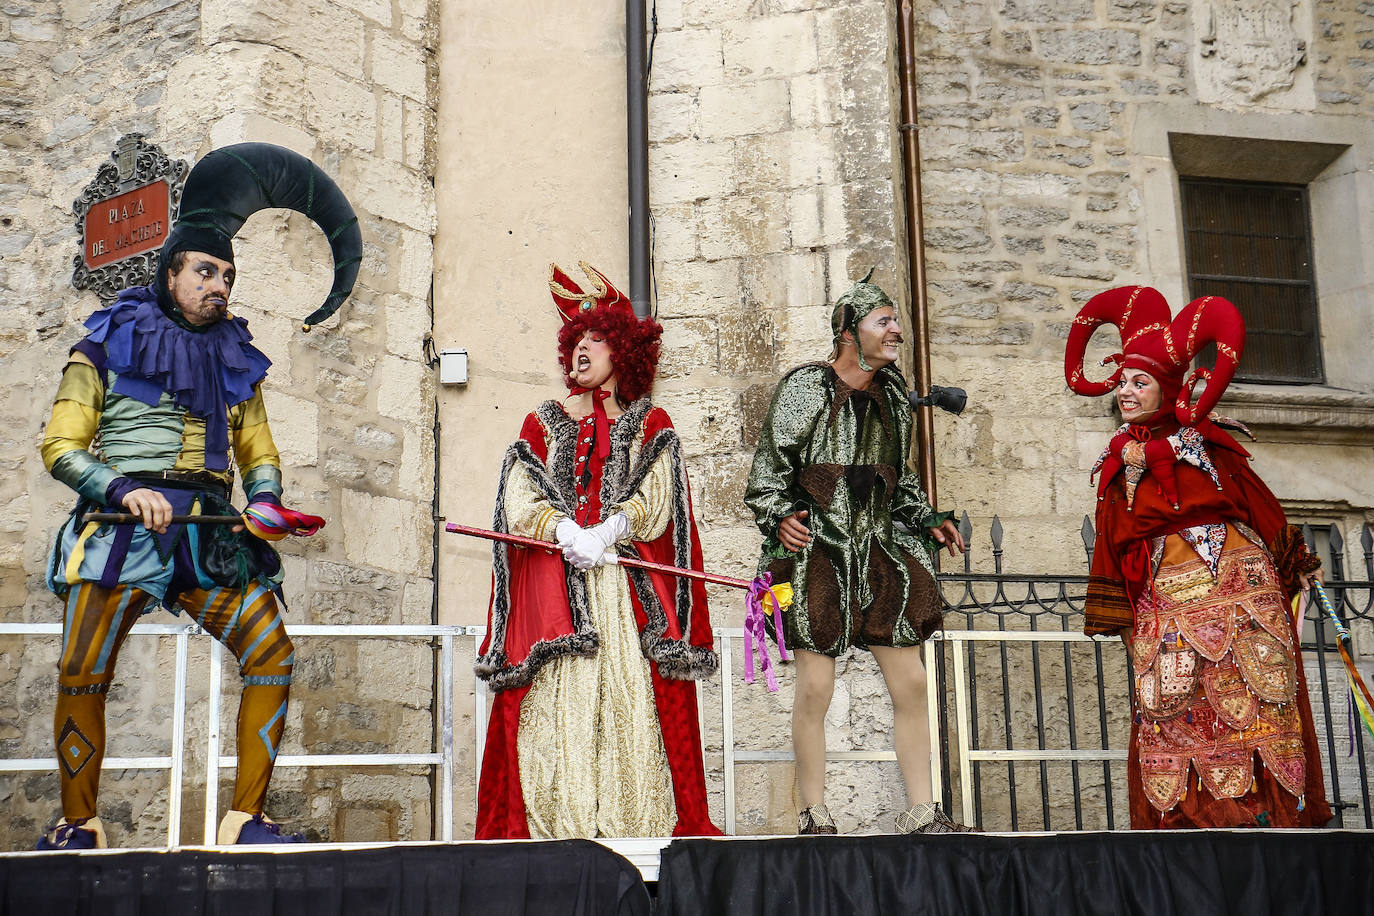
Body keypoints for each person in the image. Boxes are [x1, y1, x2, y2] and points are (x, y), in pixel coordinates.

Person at [37, 143, 361, 849]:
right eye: (207, 272)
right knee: (82, 669)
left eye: (228, 276)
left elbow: (258, 452)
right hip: (120, 528)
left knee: (272, 653)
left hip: (208, 533)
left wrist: (269, 502)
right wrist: (121, 489)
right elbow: (60, 448)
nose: (220, 286)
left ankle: (245, 818)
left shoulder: (236, 358)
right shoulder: (104, 345)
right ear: (171, 272)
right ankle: (77, 822)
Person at [1066, 285, 1332, 829]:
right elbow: (1112, 537)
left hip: (1243, 596)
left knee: (1258, 701)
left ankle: (1265, 816)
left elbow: (1257, 502)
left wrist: (1295, 559)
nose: (1125, 391)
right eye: (1121, 382)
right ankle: (1193, 825)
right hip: (1168, 604)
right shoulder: (1119, 464)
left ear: (1167, 389)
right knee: (1175, 706)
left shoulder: (1211, 446)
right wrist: (1118, 610)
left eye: (1139, 382)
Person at [474, 262, 721, 839]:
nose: (583, 347)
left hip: (621, 589)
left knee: (630, 702)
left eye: (598, 337)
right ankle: (559, 826)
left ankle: (633, 825)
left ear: (623, 352)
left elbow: (659, 497)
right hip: (555, 591)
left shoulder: (650, 422)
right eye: (577, 338)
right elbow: (520, 492)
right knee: (557, 704)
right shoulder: (542, 421)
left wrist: (608, 533)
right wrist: (563, 531)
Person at [744, 271, 966, 835]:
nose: (896, 331)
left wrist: (929, 519)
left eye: (897, 321)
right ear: (850, 332)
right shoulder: (806, 389)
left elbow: (900, 481)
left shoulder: (895, 398)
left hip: (878, 551)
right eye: (883, 321)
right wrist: (782, 518)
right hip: (817, 553)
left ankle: (921, 811)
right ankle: (814, 812)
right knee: (816, 685)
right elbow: (770, 473)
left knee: (912, 682)